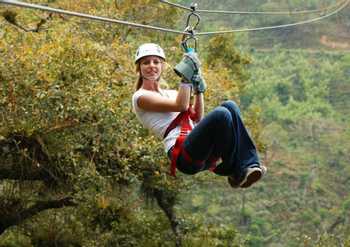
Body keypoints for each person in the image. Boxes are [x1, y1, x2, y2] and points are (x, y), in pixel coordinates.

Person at [131, 43, 266, 188]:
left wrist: (198, 90)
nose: (152, 66)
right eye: (146, 62)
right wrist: (186, 78)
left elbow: (197, 118)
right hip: (183, 154)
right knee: (222, 114)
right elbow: (181, 106)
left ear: (163, 66)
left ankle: (244, 168)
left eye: (156, 61)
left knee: (230, 106)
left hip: (198, 148)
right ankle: (235, 169)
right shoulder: (140, 97)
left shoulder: (171, 93)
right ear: (139, 68)